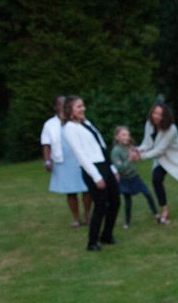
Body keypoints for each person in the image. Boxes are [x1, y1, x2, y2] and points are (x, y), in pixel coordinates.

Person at [62, 95, 121, 251]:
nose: (83, 109)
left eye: (83, 105)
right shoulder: (69, 128)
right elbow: (80, 154)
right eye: (79, 107)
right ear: (70, 110)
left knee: (115, 201)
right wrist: (96, 176)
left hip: (105, 165)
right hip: (92, 169)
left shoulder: (86, 123)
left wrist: (112, 168)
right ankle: (92, 242)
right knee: (100, 205)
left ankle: (106, 235)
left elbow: (101, 146)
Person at [41, 95, 92, 227]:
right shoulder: (49, 124)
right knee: (71, 191)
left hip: (81, 158)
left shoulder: (79, 120)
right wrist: (47, 161)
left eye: (65, 104)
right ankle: (76, 218)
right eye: (60, 104)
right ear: (55, 107)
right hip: (63, 161)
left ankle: (88, 216)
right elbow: (46, 144)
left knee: (87, 188)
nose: (63, 106)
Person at [110, 126, 159, 228]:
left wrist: (137, 156)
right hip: (124, 179)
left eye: (128, 135)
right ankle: (127, 222)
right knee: (128, 200)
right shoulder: (115, 151)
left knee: (148, 193)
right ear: (117, 137)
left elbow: (136, 158)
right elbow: (120, 168)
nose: (126, 137)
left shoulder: (129, 147)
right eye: (123, 135)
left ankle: (156, 214)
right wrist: (129, 159)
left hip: (135, 177)